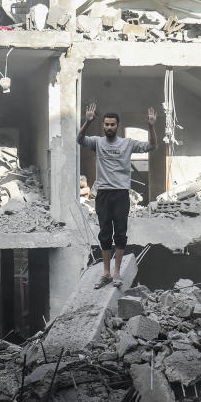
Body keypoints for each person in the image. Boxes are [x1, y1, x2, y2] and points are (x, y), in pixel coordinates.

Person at [76, 102, 159, 288]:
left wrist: (151, 126)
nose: (109, 127)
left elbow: (152, 146)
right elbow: (80, 139)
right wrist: (88, 122)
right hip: (103, 194)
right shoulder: (97, 142)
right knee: (105, 233)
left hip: (121, 194)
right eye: (106, 124)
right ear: (103, 125)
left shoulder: (127, 143)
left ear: (117, 126)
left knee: (120, 234)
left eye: (112, 124)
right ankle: (105, 273)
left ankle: (117, 273)